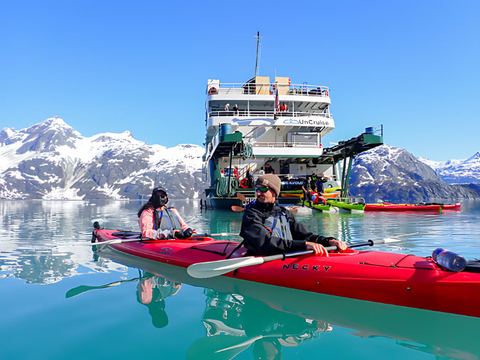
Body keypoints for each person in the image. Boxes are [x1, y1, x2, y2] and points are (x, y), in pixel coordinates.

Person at [239, 174, 347, 256]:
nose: (258, 193)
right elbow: (265, 243)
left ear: (274, 192)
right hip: (262, 258)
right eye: (257, 189)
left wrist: (328, 241)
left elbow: (306, 236)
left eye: (262, 189)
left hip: (285, 255)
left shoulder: (284, 213)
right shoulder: (251, 214)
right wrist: (303, 245)